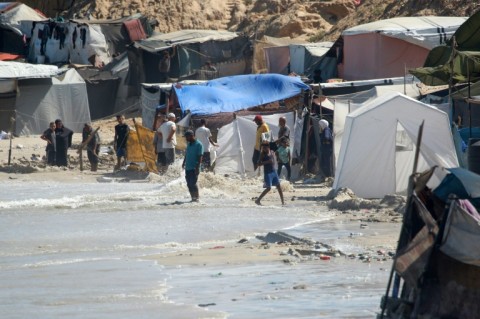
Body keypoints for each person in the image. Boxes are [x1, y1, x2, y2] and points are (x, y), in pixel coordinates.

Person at [182, 130, 203, 202]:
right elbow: (187, 154)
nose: (186, 139)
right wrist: (183, 162)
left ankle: (197, 198)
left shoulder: (199, 144)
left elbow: (200, 156)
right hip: (188, 167)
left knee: (193, 183)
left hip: (194, 167)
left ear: (191, 136)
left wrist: (197, 167)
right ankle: (192, 198)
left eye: (186, 137)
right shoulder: (189, 144)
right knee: (188, 184)